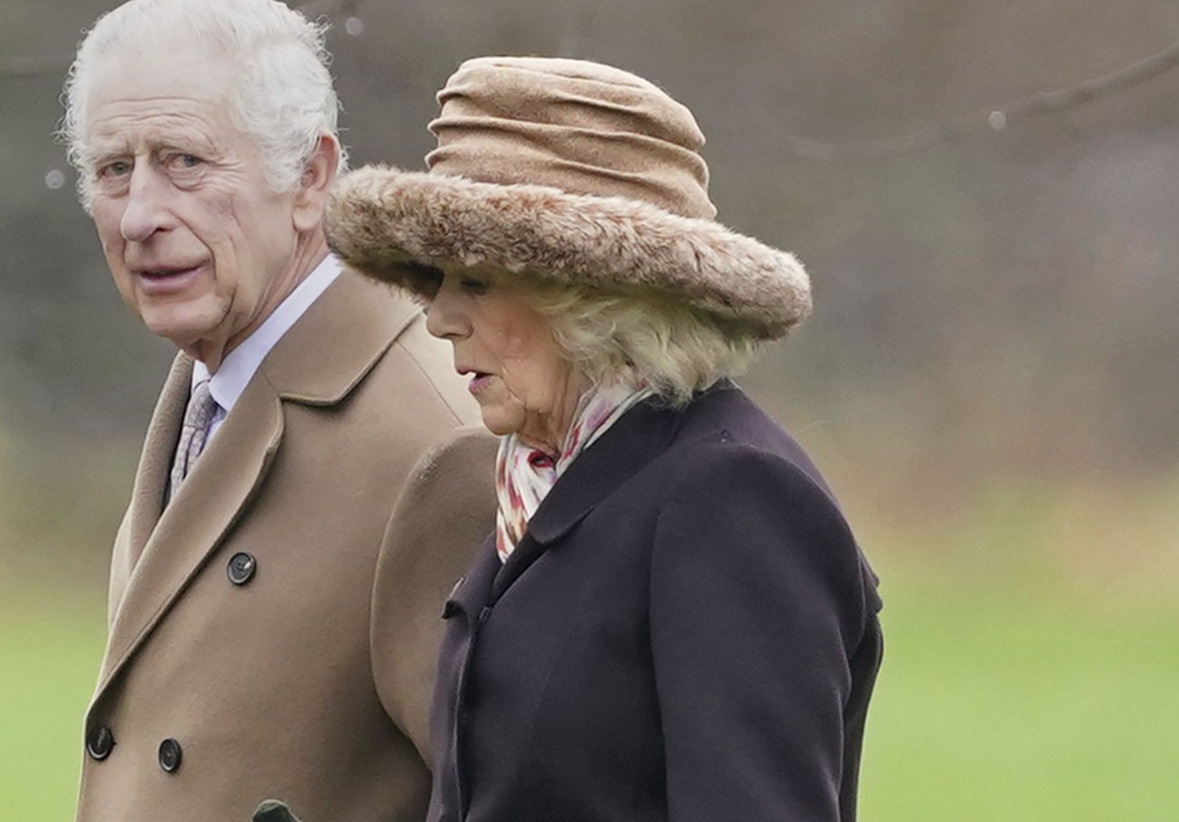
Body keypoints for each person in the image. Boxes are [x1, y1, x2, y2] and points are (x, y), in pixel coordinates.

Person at [326, 56, 884, 822]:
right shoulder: (546, 478)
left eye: (476, 281)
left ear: (591, 293)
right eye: (435, 280)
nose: (438, 318)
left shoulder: (729, 496)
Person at [57, 0, 497, 822]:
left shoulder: (431, 441)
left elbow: (502, 795)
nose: (141, 215)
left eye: (185, 161)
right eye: (115, 169)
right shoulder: (207, 374)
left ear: (311, 178)